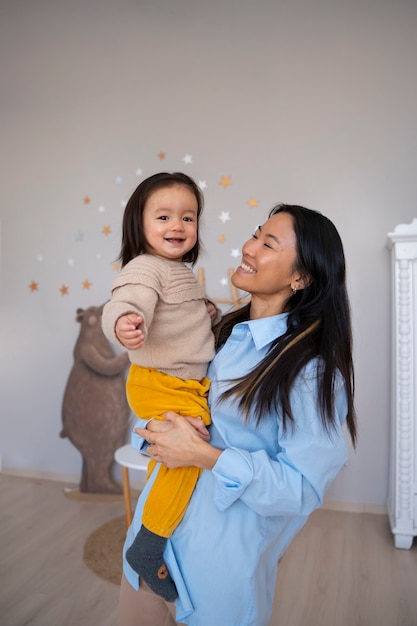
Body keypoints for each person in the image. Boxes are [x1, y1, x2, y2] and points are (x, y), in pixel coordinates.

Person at [115, 202, 357, 626]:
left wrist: (204, 456)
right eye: (256, 233)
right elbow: (163, 401)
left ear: (301, 277)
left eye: (268, 243)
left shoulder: (310, 371)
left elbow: (301, 489)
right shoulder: (218, 335)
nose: (249, 247)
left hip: (216, 577)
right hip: (148, 548)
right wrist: (156, 431)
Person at [102, 172, 219, 602]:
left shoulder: (179, 271)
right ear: (140, 224)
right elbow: (125, 300)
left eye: (188, 218)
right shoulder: (145, 268)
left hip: (176, 380)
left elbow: (181, 319)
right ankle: (148, 544)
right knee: (189, 452)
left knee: (176, 458)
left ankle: (157, 519)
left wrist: (205, 311)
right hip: (161, 381)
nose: (178, 226)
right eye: (164, 216)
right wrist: (124, 321)